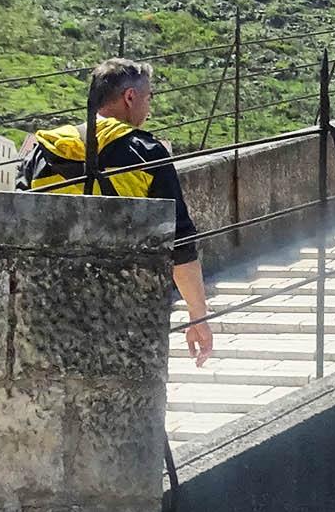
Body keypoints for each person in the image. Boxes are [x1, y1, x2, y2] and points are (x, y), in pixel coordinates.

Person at [18, 59, 212, 363]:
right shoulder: (146, 153)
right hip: (123, 306)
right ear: (130, 97)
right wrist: (197, 316)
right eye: (148, 98)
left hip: (47, 304)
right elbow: (180, 241)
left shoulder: (41, 151)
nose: (149, 108)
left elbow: (15, 227)